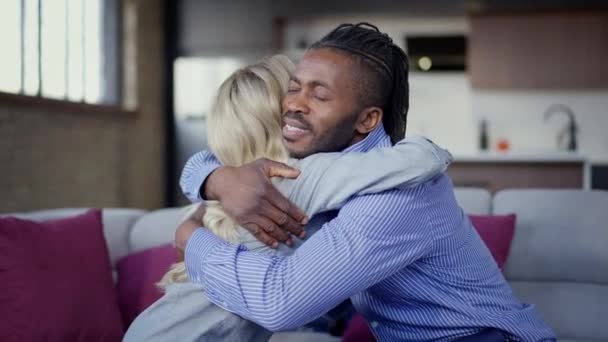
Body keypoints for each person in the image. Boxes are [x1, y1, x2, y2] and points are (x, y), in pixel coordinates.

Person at [176, 23, 556, 341]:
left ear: (367, 121)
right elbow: (211, 160)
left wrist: (191, 238)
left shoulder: (395, 195)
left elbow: (280, 304)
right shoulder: (326, 170)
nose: (294, 104)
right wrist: (215, 178)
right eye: (294, 88)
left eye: (319, 95)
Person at [124, 55, 452, 341]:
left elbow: (200, 164)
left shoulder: (230, 191)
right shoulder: (297, 178)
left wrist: (213, 178)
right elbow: (429, 157)